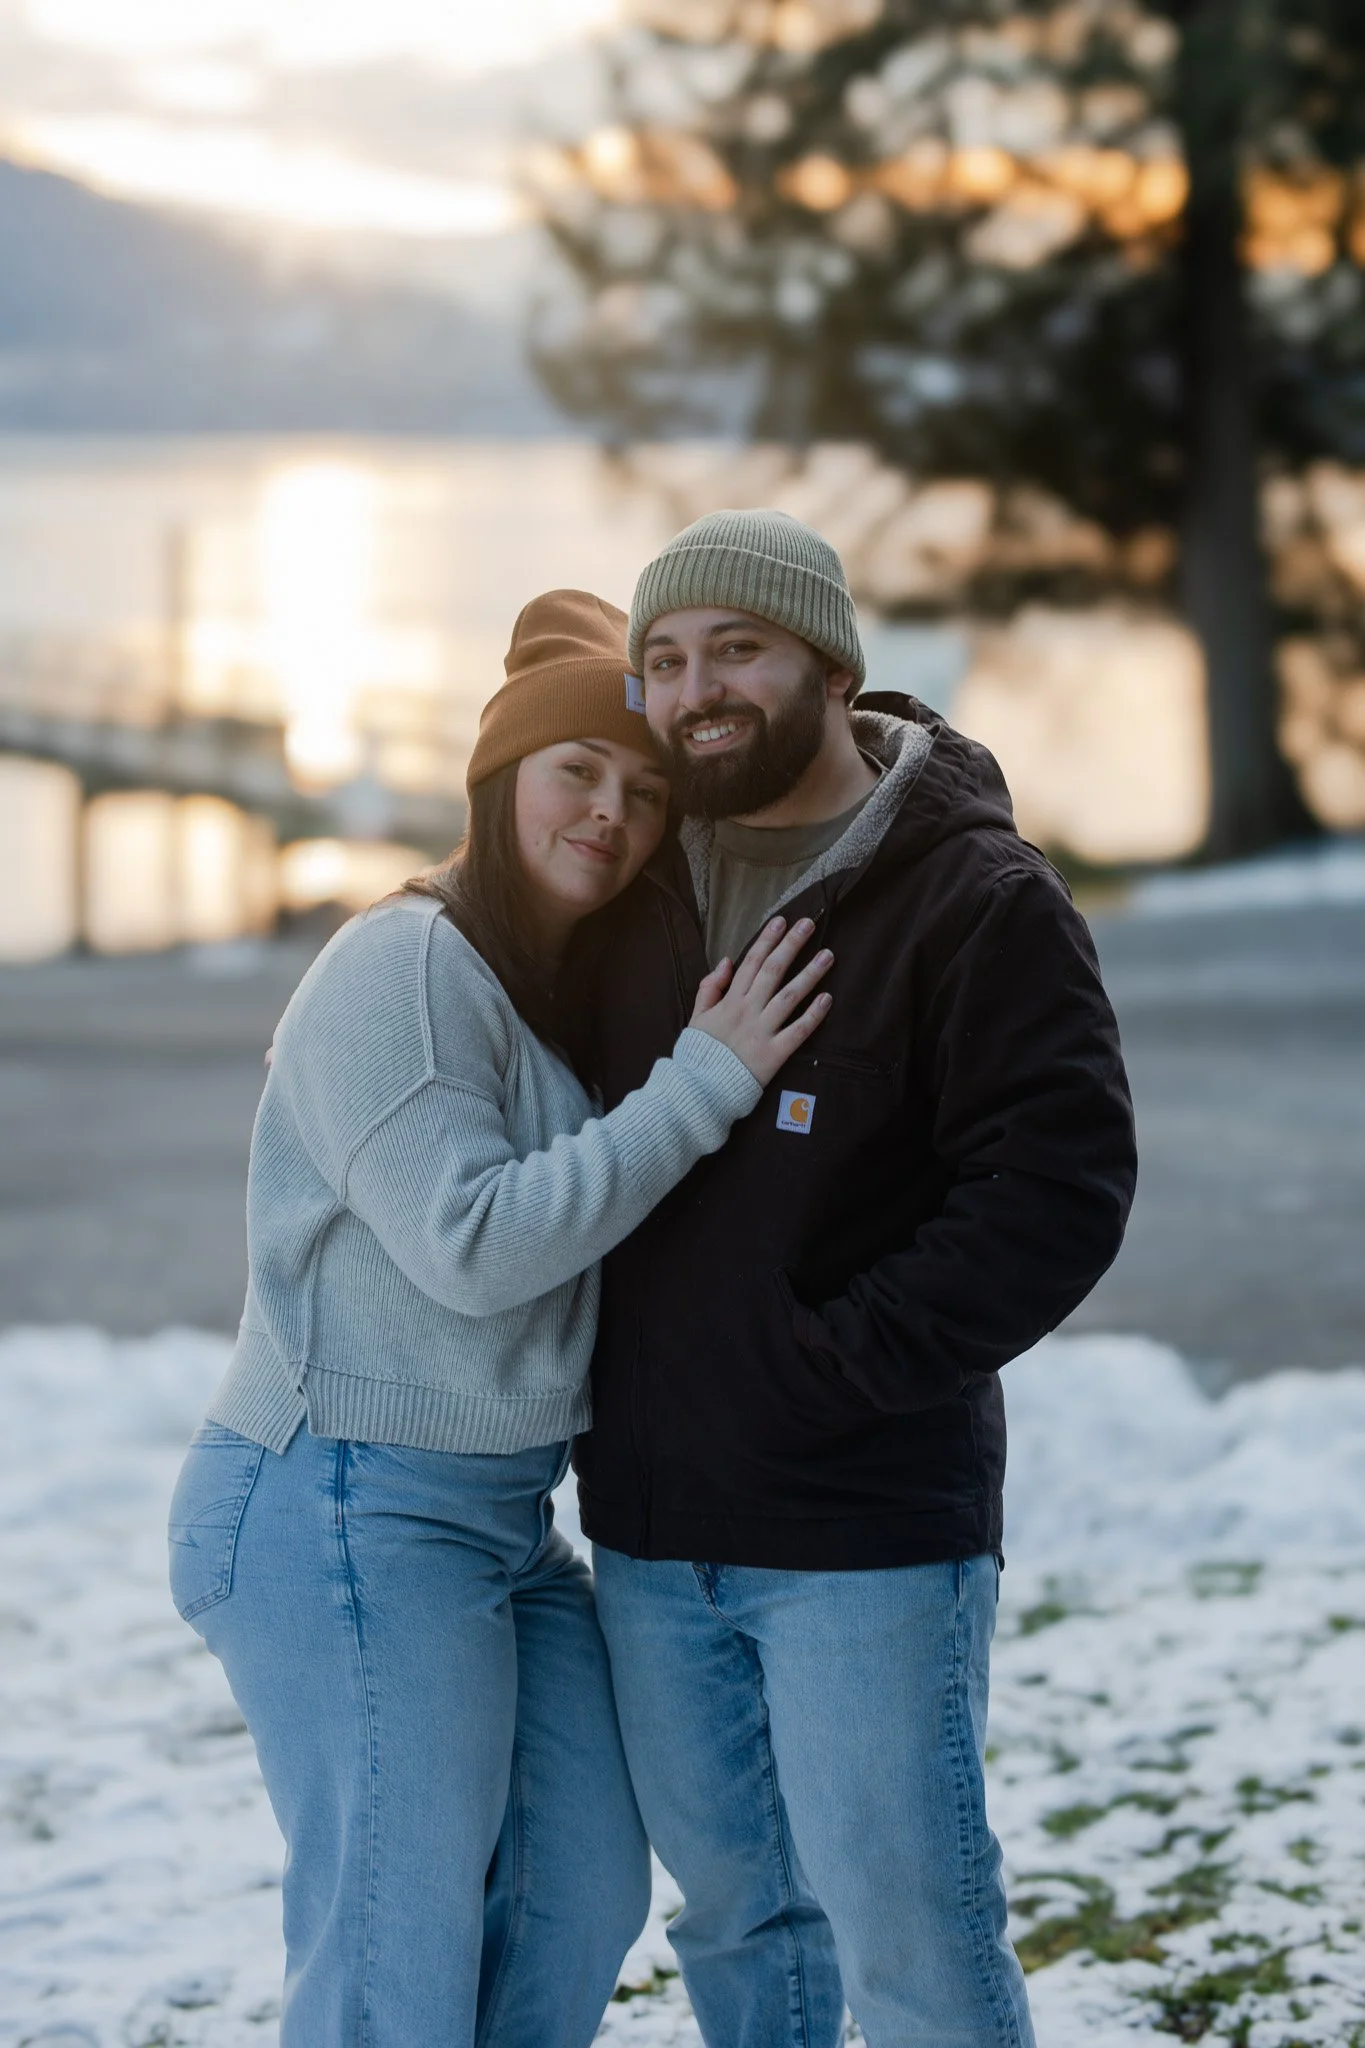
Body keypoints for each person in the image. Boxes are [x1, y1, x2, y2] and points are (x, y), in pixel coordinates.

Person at [166, 588, 835, 2048]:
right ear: (499, 780)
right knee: (392, 1956)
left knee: (576, 1889)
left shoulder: (545, 983)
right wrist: (706, 1084)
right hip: (335, 1500)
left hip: (497, 1520)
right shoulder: (399, 967)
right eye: (577, 774)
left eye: (644, 790)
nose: (612, 811)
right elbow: (472, 1244)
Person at [574, 511, 1139, 2048]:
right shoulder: (628, 895)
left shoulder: (974, 897)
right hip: (644, 1526)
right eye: (666, 662)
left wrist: (836, 1368)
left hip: (864, 1533)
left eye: (736, 650)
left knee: (912, 1943)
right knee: (744, 1934)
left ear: (828, 663)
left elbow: (1059, 1187)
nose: (699, 690)